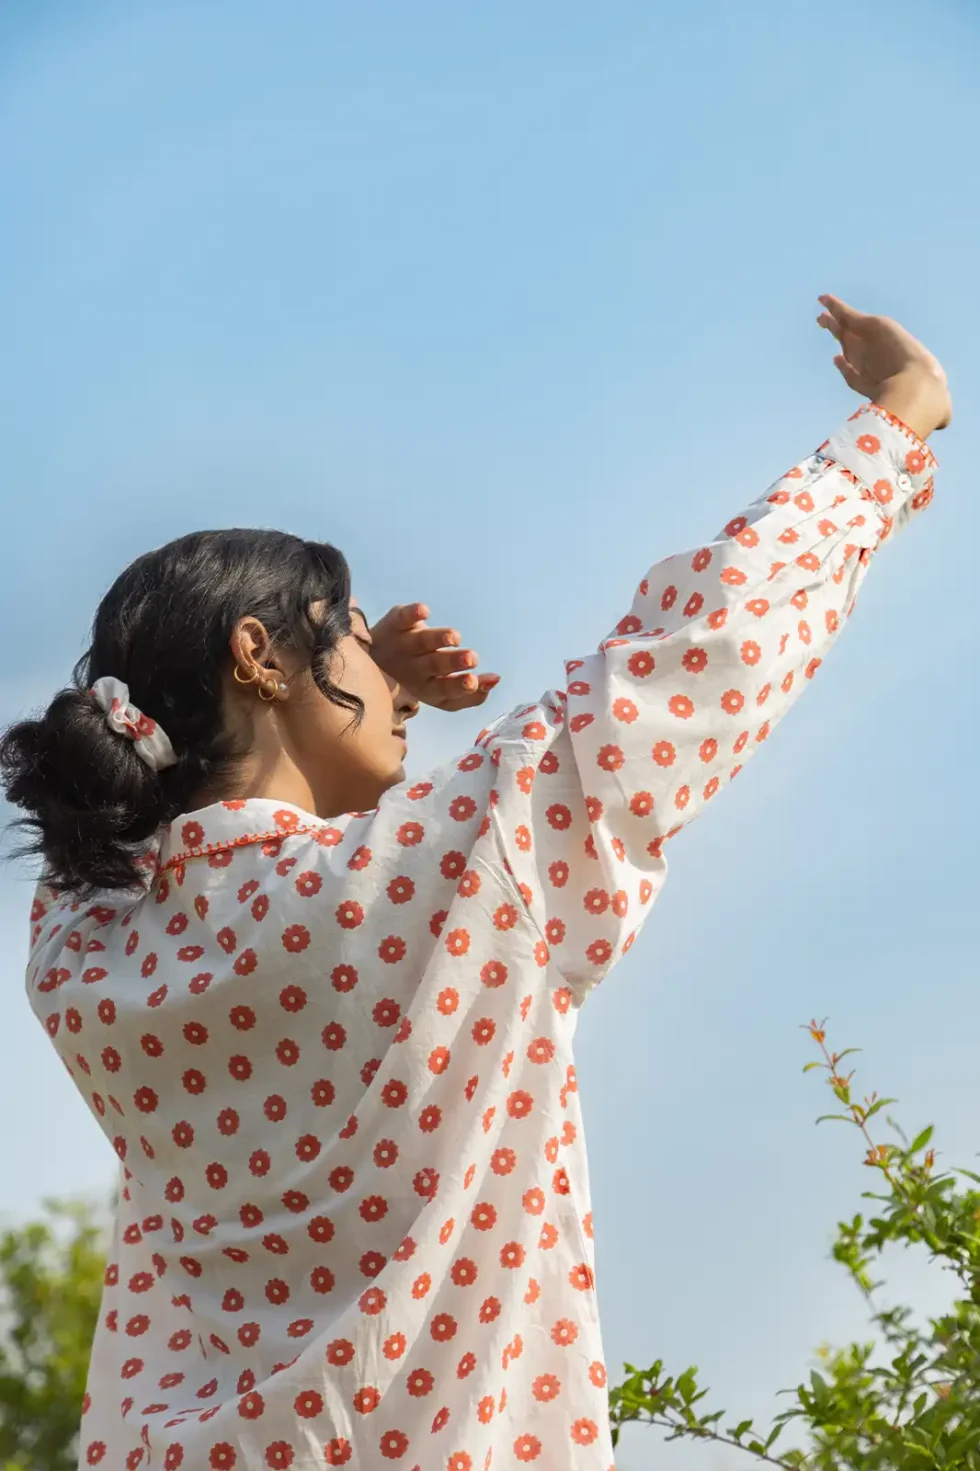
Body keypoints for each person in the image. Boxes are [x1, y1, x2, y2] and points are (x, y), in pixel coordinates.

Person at [0, 295, 951, 1471]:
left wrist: (339, 707)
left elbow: (207, 865)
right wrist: (894, 430)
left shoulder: (80, 956)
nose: (372, 651)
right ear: (257, 654)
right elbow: (698, 651)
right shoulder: (461, 865)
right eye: (339, 625)